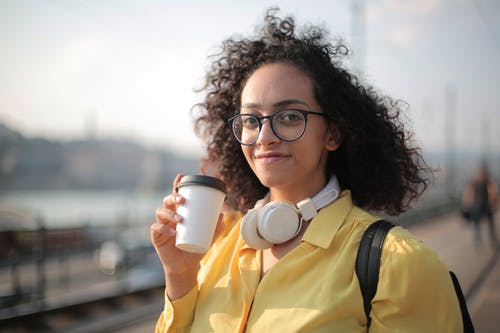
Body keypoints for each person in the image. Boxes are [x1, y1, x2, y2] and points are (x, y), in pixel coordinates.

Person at [151, 9, 463, 332]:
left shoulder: (399, 265)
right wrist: (180, 276)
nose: (264, 137)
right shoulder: (216, 246)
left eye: (289, 117)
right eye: (250, 120)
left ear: (332, 134)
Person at [462, 162, 498, 248]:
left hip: (484, 206)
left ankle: (485, 240)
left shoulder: (484, 181)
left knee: (483, 224)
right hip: (480, 206)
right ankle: (482, 240)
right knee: (481, 224)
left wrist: (467, 203)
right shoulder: (480, 182)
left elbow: (492, 193)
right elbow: (469, 193)